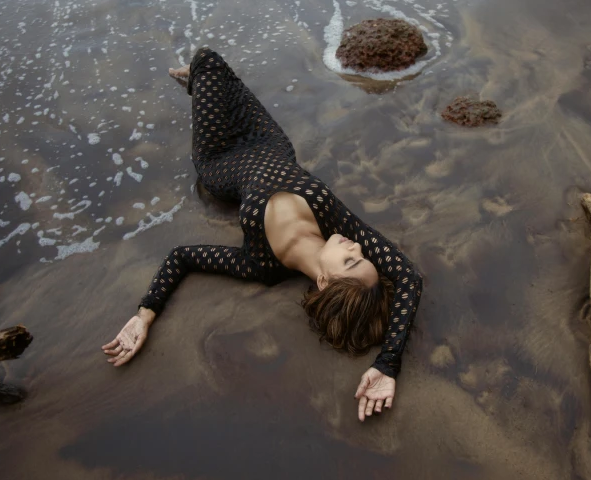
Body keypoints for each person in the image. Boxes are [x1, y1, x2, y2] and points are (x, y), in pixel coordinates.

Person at [102, 48, 423, 422]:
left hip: (220, 160)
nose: (356, 245)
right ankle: (200, 87)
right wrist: (387, 363)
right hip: (269, 141)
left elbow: (182, 257)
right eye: (362, 255)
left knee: (206, 59)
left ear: (323, 279)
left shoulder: (260, 264)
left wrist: (144, 316)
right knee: (213, 65)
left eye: (351, 260)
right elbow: (408, 277)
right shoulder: (337, 223)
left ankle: (199, 87)